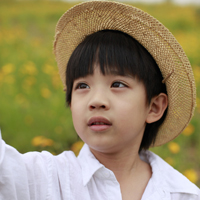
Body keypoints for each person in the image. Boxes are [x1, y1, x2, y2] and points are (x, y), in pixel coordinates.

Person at [0, 1, 199, 199]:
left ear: (154, 107)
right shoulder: (45, 178)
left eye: (118, 84)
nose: (96, 101)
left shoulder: (182, 194)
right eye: (82, 86)